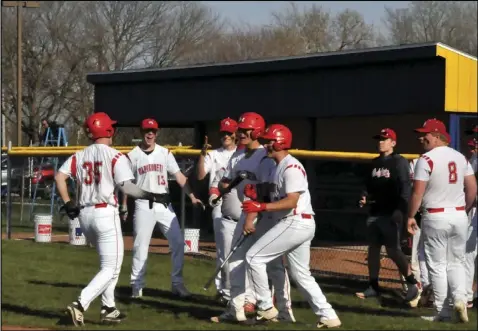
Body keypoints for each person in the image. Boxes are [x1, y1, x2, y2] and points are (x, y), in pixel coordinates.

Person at [55, 112, 158, 326]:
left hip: (85, 214)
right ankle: (80, 304)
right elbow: (126, 186)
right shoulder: (114, 155)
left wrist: (67, 202)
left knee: (111, 263)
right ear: (108, 131)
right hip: (104, 213)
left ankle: (108, 308)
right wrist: (150, 195)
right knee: (110, 267)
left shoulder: (79, 155)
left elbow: (59, 176)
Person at [242, 124, 342, 328]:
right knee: (300, 274)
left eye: (270, 140)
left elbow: (291, 202)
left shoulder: (291, 167)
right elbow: (269, 195)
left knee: (254, 257)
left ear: (280, 142)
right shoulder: (275, 167)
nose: (267, 144)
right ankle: (328, 315)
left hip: (295, 221)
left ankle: (266, 306)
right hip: (297, 222)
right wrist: (257, 196)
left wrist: (261, 205)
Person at [210, 112, 293, 324]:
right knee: (236, 261)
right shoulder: (237, 156)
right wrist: (224, 185)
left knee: (272, 265)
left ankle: (282, 310)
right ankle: (235, 308)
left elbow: (265, 191)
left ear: (256, 131)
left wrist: (252, 217)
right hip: (245, 213)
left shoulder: (265, 157)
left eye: (245, 129)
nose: (241, 133)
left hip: (265, 215)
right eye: (240, 129)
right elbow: (225, 182)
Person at [122, 118, 204, 299]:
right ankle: (137, 286)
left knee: (178, 243)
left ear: (157, 133)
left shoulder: (165, 153)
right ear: (141, 132)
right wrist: (123, 205)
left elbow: (180, 177)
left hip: (164, 204)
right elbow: (126, 183)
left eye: (153, 131)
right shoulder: (133, 155)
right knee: (140, 247)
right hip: (144, 203)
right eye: (146, 131)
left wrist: (192, 196)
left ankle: (177, 284)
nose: (150, 134)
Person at [407, 119, 477, 322]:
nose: (422, 137)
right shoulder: (461, 157)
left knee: (437, 265)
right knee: (456, 262)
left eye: (426, 134)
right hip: (458, 215)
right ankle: (460, 299)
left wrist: (411, 216)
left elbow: (417, 193)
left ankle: (442, 311)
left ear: (438, 136)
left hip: (435, 215)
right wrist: (465, 208)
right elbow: (472, 188)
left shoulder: (426, 159)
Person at [356, 128, 420, 303]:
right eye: (379, 139)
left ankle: (413, 283)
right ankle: (373, 286)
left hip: (392, 212)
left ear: (393, 142)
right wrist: (363, 196)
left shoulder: (399, 162)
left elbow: (406, 188)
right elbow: (367, 185)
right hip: (375, 211)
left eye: (385, 139)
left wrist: (401, 211)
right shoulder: (374, 162)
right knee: (373, 249)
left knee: (393, 250)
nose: (381, 142)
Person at [197, 118, 238, 302]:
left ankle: (240, 291)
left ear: (236, 134)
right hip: (219, 203)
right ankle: (224, 290)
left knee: (241, 251)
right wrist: (202, 154)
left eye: (229, 133)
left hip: (239, 203)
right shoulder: (214, 154)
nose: (226, 136)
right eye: (223, 133)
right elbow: (200, 175)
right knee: (223, 250)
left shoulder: (243, 154)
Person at [464, 129, 477, 308]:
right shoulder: (474, 159)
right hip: (474, 211)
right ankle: (467, 295)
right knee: (468, 254)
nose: (475, 139)